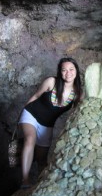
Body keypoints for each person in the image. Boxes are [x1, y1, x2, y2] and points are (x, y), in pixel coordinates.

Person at [18, 57, 83, 188]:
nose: (68, 73)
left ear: (76, 71)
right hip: (31, 114)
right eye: (64, 70)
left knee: (42, 159)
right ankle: (25, 180)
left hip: (47, 125)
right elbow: (36, 96)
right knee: (30, 139)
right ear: (60, 72)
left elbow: (76, 113)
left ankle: (42, 185)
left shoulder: (77, 93)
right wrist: (21, 114)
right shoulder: (51, 82)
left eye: (71, 69)